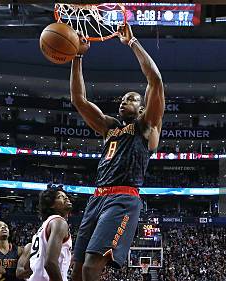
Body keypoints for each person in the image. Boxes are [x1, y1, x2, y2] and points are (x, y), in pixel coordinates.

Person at [69, 23, 164, 281]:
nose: (123, 101)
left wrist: (132, 43)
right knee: (76, 271)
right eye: (122, 99)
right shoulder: (109, 126)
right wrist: (77, 56)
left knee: (91, 268)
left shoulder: (147, 126)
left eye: (131, 98)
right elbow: (78, 99)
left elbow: (155, 80)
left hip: (122, 198)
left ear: (143, 107)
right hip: (97, 197)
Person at [27, 185, 73, 281]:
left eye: (65, 195)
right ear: (51, 205)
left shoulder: (42, 228)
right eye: (59, 196)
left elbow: (28, 267)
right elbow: (50, 263)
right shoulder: (59, 222)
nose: (65, 197)